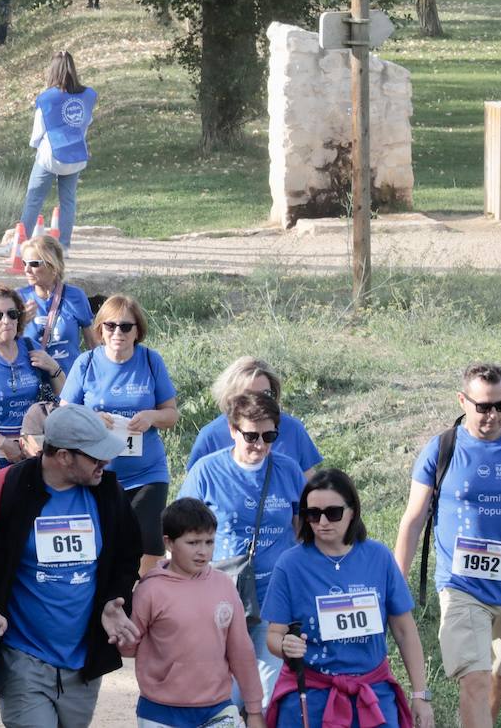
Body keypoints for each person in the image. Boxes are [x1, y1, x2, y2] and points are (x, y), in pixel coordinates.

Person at [0, 404, 143, 727]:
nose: (105, 463)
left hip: (83, 665)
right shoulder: (8, 488)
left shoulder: (109, 493)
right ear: (64, 456)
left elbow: (127, 555)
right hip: (22, 659)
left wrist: (114, 599)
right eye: (95, 456)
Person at [394, 362, 501, 728]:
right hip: (460, 586)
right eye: (482, 406)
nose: (492, 415)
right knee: (474, 679)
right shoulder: (442, 449)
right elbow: (413, 520)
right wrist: (394, 586)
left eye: (500, 405)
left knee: (497, 678)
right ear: (462, 400)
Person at [263, 469, 434, 728]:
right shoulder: (290, 564)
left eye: (333, 513)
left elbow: (404, 630)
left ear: (352, 511)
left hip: (373, 693)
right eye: (313, 514)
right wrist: (285, 645)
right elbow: (274, 635)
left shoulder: (379, 557)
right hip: (312, 694)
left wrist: (420, 695)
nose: (322, 522)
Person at [177, 391, 304, 712]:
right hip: (219, 596)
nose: (260, 444)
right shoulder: (206, 472)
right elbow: (178, 533)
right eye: (251, 435)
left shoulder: (288, 471)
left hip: (275, 599)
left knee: (261, 695)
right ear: (233, 430)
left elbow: (303, 530)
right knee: (222, 691)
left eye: (269, 435)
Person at [118, 498, 266, 728]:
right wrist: (121, 633)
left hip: (218, 709)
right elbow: (128, 648)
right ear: (169, 543)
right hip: (160, 711)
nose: (203, 551)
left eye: (209, 542)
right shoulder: (150, 590)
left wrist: (254, 709)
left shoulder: (224, 585)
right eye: (193, 542)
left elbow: (241, 650)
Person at [60, 293, 178, 575]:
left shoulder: (151, 360)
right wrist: (91, 418)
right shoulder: (86, 363)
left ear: (138, 330)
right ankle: (105, 601)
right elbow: (64, 415)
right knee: (103, 541)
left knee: (148, 543)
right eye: (110, 326)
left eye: (126, 326)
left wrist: (151, 417)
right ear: (100, 329)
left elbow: (171, 414)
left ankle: (141, 600)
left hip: (147, 472)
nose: (118, 332)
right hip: (96, 472)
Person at [0, 285, 65, 468]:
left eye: (12, 314)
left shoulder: (32, 347)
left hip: (36, 451)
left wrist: (54, 368)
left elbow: (65, 397)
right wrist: (2, 443)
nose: (6, 321)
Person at [187, 357, 322, 477]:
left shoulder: (292, 429)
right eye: (249, 395)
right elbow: (194, 493)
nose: (258, 402)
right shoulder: (210, 436)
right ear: (230, 398)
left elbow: (308, 484)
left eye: (265, 394)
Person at [19, 51, 96, 249]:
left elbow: (38, 131)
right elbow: (85, 123)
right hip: (76, 155)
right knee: (68, 201)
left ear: (52, 71)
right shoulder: (87, 96)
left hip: (49, 156)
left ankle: (21, 244)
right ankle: (64, 246)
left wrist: (36, 146)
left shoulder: (46, 99)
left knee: (34, 199)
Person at [18, 234, 95, 377]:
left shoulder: (75, 296)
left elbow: (93, 343)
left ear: (53, 266)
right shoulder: (18, 298)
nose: (26, 270)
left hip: (69, 381)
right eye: (24, 263)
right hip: (32, 382)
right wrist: (20, 323)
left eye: (34, 264)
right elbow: (4, 343)